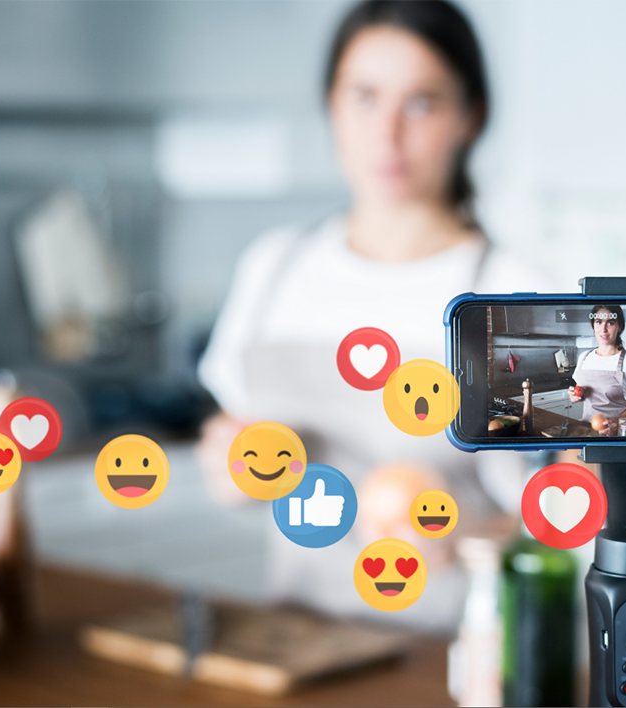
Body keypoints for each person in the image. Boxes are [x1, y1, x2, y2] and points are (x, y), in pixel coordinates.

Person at [196, 0, 545, 629]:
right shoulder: (275, 267)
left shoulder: (515, 295)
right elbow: (234, 444)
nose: (386, 133)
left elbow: (559, 516)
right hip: (297, 642)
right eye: (364, 97)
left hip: (457, 655)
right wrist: (232, 471)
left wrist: (464, 532)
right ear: (330, 105)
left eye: (421, 103)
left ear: (472, 116)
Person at [567, 305, 626, 436]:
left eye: (610, 323)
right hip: (586, 430)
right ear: (593, 325)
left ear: (619, 327)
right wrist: (575, 396)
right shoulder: (584, 358)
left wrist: (616, 421)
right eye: (599, 322)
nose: (603, 330)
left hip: (617, 433)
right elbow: (581, 390)